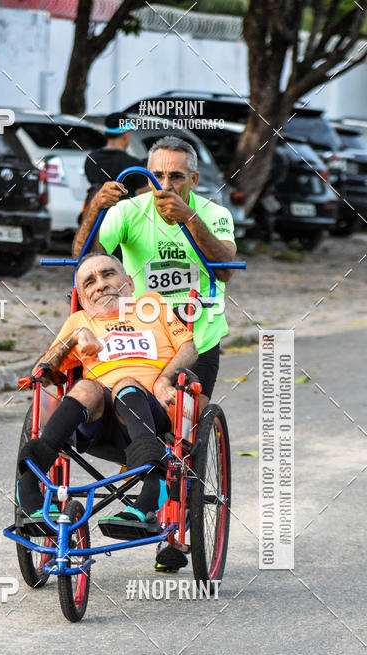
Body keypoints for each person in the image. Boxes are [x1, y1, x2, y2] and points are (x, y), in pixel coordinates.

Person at [72, 135, 237, 571]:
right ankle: (148, 479)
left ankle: (177, 535)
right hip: (139, 344)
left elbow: (224, 269)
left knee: (184, 430)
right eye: (157, 174)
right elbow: (84, 264)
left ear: (194, 179)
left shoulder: (214, 214)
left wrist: (189, 221)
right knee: (139, 426)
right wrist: (95, 209)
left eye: (176, 176)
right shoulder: (129, 212)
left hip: (195, 342)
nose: (164, 184)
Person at [15, 252, 198, 542]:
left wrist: (165, 379)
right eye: (89, 282)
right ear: (83, 297)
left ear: (128, 282)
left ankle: (150, 493)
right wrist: (75, 338)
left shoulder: (153, 307)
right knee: (86, 387)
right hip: (99, 424)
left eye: (108, 274)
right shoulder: (79, 320)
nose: (99, 284)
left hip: (152, 413)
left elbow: (189, 349)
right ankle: (29, 483)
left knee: (127, 385)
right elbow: (44, 372)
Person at [83, 113, 147, 205]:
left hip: (96, 214)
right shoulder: (133, 165)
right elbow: (144, 194)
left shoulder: (91, 159)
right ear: (126, 135)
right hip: (123, 217)